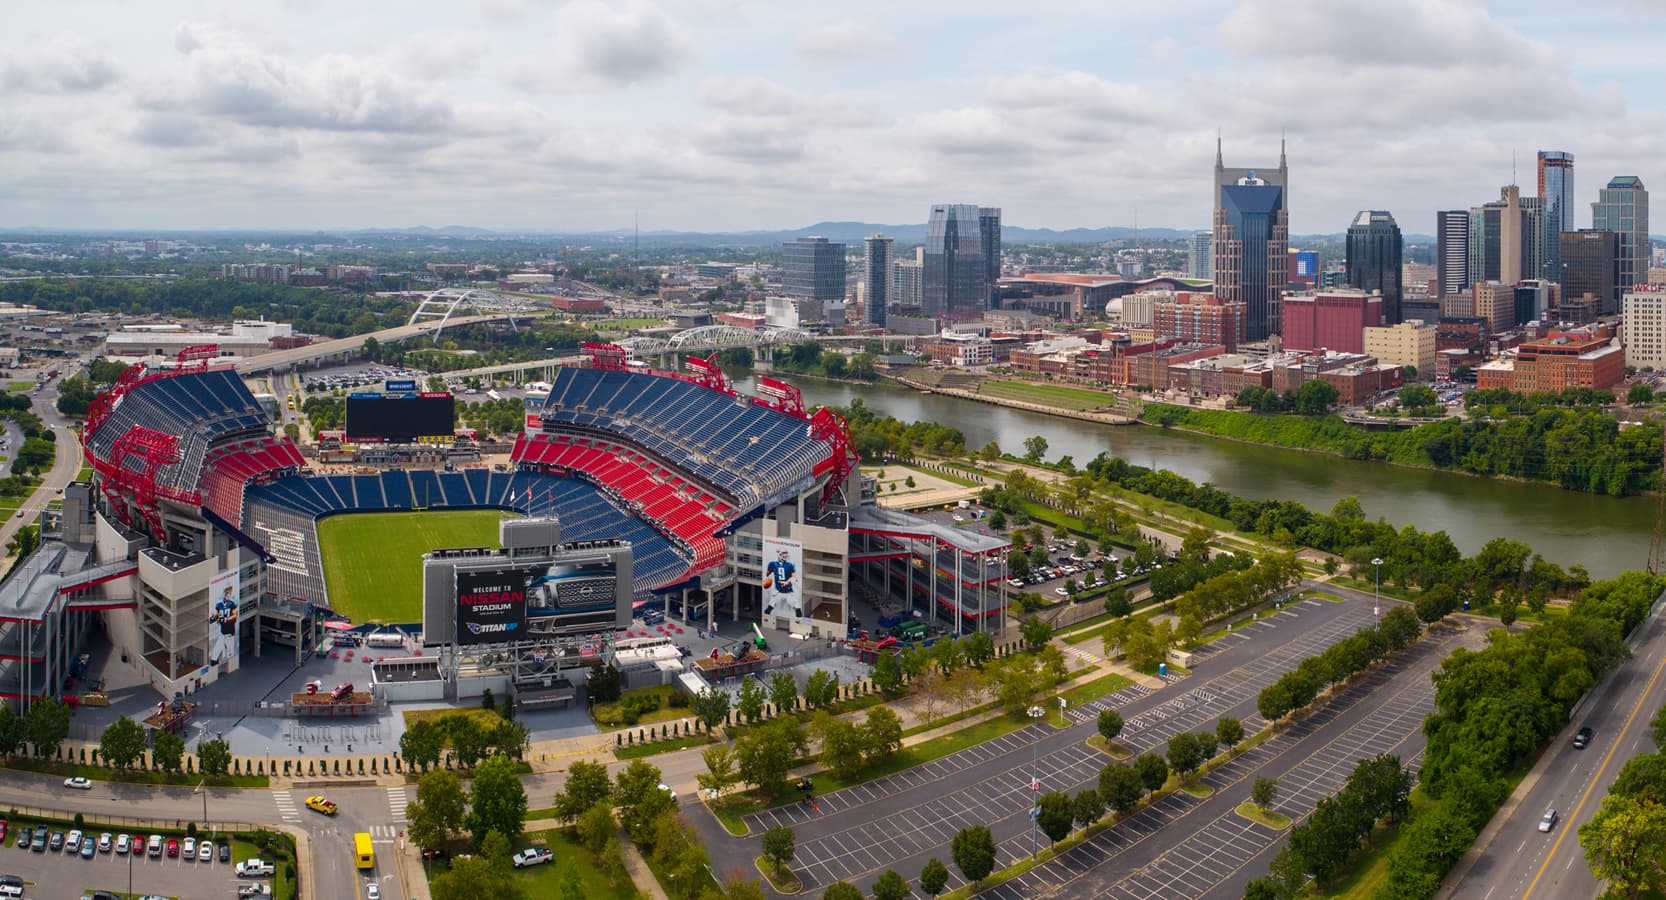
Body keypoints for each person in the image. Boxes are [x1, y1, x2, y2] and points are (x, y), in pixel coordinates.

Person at [762, 548, 800, 618]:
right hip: (778, 590)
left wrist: (787, 582)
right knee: (770, 605)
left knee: (798, 609)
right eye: (783, 553)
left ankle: (798, 614)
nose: (785, 555)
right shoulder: (773, 564)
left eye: (786, 553)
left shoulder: (790, 565)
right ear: (779, 555)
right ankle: (769, 611)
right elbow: (767, 574)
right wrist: (768, 579)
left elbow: (795, 578)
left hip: (788, 591)